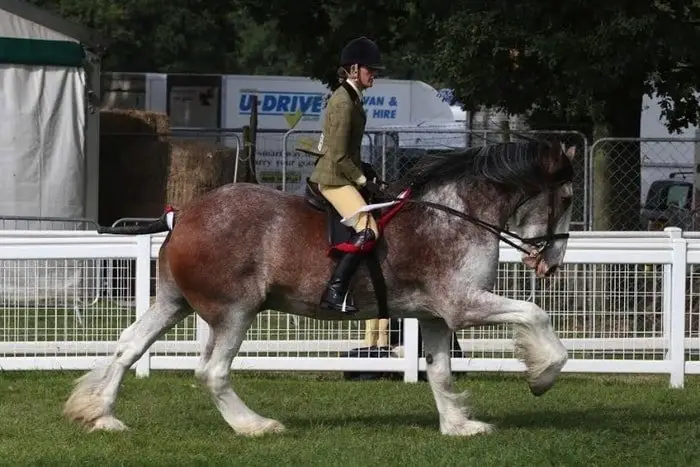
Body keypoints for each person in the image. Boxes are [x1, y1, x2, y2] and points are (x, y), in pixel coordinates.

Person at [308, 36, 389, 314]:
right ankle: (334, 293)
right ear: (354, 69)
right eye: (370, 70)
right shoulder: (343, 103)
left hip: (343, 173)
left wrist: (366, 170)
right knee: (368, 230)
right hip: (333, 178)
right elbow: (340, 155)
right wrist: (363, 181)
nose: (374, 75)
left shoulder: (353, 98)